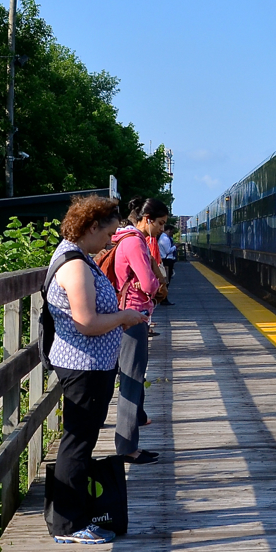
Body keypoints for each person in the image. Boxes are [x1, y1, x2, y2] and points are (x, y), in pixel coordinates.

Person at [47, 196, 148, 545]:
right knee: (77, 443)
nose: (110, 239)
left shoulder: (77, 257)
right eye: (107, 232)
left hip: (90, 365)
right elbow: (87, 322)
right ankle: (69, 525)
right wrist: (124, 317)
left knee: (80, 440)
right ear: (91, 227)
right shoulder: (74, 265)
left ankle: (73, 518)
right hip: (84, 367)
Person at [109, 197, 169, 462]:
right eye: (161, 224)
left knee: (129, 377)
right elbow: (147, 283)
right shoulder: (134, 242)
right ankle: (128, 448)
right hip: (133, 317)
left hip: (127, 316)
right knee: (131, 381)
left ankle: (132, 430)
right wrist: (157, 286)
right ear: (147, 219)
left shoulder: (125, 238)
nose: (162, 230)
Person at [158, 225, 177, 297]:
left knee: (167, 279)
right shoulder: (165, 239)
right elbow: (168, 251)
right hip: (167, 261)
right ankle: (164, 298)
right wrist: (175, 247)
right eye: (172, 231)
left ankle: (164, 297)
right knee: (167, 280)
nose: (172, 233)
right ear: (168, 230)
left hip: (166, 260)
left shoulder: (164, 238)